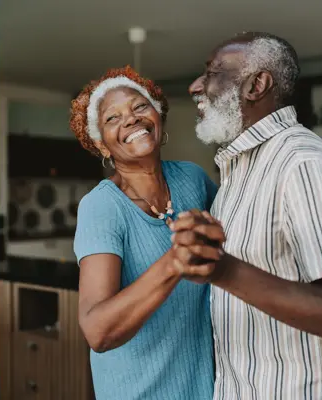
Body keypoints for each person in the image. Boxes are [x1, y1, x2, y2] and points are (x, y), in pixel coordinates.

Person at [170, 32, 322, 399]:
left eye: (213, 72)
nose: (195, 86)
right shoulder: (237, 172)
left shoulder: (303, 164)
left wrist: (223, 269)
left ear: (256, 85)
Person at [70, 66, 221, 400]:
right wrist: (174, 261)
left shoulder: (192, 180)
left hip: (204, 389)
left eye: (140, 107)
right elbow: (98, 331)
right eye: (112, 118)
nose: (131, 119)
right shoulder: (101, 207)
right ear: (102, 145)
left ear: (159, 116)